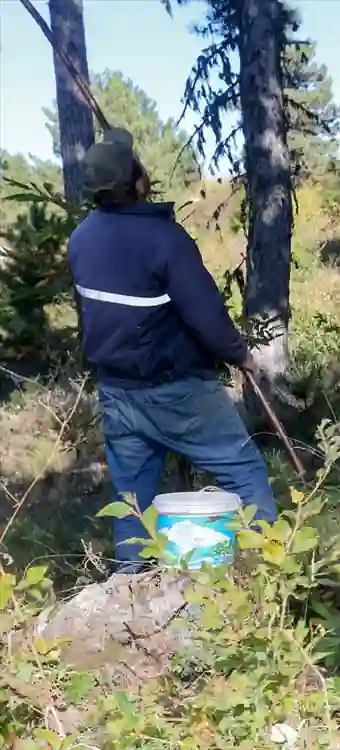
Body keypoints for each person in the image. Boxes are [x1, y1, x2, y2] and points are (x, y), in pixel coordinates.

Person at [67, 128, 278, 574]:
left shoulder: (81, 239)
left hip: (117, 393)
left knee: (133, 503)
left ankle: (129, 589)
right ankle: (272, 572)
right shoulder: (165, 241)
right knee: (243, 473)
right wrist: (240, 354)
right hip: (178, 390)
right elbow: (206, 316)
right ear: (138, 181)